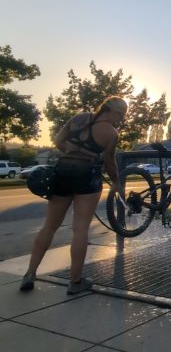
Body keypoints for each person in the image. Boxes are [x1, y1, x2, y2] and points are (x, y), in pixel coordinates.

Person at [19, 96, 128, 294]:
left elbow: (58, 140)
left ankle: (30, 274)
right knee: (80, 229)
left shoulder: (79, 118)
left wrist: (72, 154)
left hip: (62, 171)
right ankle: (75, 282)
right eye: (120, 116)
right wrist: (116, 182)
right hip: (87, 175)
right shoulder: (110, 132)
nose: (120, 120)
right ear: (113, 112)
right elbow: (110, 162)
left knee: (49, 226)